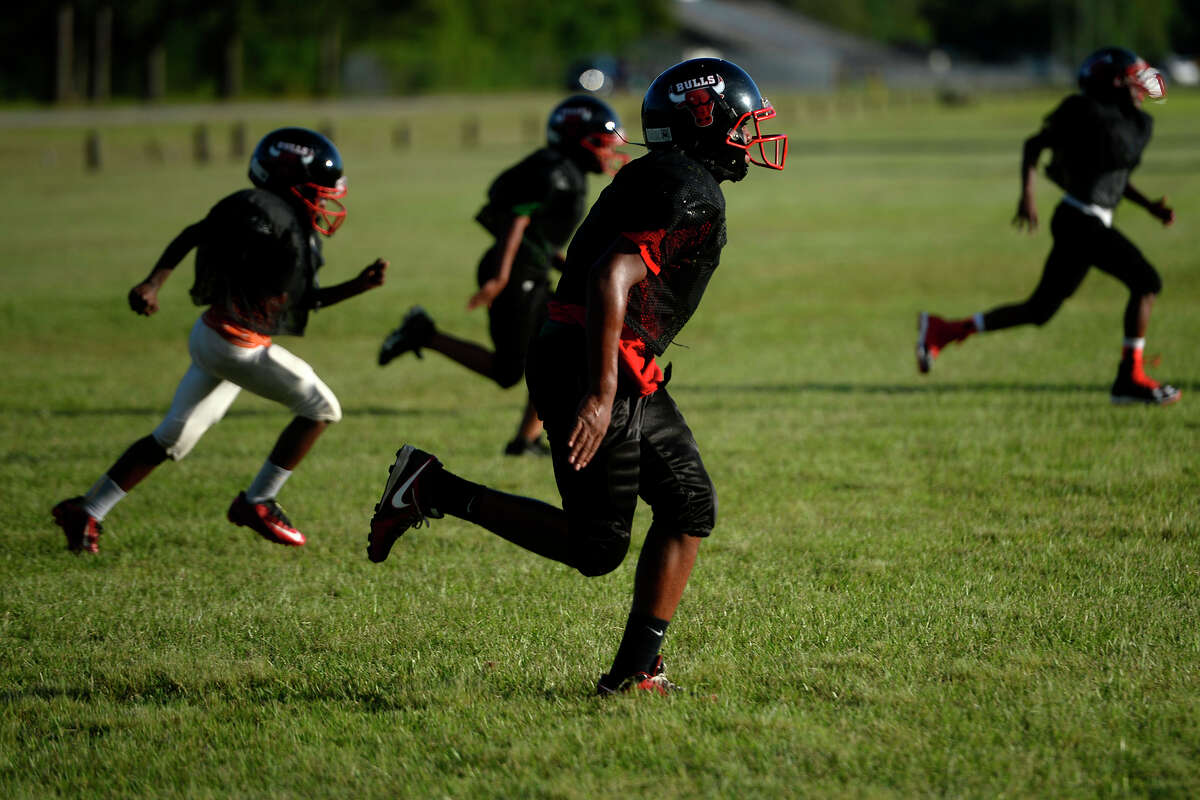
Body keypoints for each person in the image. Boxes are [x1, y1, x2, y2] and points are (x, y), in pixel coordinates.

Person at [366, 58, 787, 695]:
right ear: (708, 119)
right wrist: (600, 391)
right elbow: (608, 277)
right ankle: (434, 488)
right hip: (594, 360)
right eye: (744, 122)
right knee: (596, 548)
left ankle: (637, 670)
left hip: (612, 357)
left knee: (689, 504)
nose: (751, 136)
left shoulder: (668, 172)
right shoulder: (690, 188)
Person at [51, 127, 387, 553]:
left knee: (172, 439)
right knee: (321, 409)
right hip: (235, 345)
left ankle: (87, 510)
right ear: (290, 184)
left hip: (212, 338)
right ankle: (258, 501)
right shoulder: (260, 215)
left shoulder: (284, 222)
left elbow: (303, 300)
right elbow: (198, 232)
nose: (325, 201)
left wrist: (358, 286)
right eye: (317, 192)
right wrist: (152, 283)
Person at [916, 47, 1181, 406]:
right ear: (1111, 80)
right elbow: (1034, 145)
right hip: (1078, 219)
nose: (1140, 84)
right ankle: (1129, 378)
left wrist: (1149, 206)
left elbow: (1112, 177)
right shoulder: (1084, 112)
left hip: (1087, 219)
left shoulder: (1131, 121)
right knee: (1147, 282)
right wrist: (1027, 195)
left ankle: (944, 330)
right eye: (1131, 77)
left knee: (1038, 311)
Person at [376, 95, 628, 456]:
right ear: (578, 140)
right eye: (601, 143)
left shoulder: (563, 170)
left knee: (560, 351)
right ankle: (423, 334)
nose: (607, 151)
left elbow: (535, 235)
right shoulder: (558, 173)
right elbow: (518, 219)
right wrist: (500, 277)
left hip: (527, 270)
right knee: (510, 371)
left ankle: (525, 441)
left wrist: (563, 267)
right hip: (514, 274)